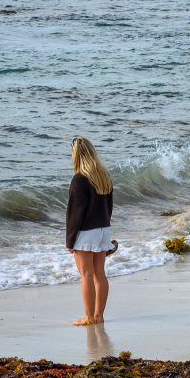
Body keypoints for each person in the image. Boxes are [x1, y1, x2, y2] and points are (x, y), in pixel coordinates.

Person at [66, 137, 115, 326]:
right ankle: (98, 316)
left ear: (76, 155)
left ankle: (88, 317)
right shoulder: (103, 176)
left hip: (86, 232)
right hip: (103, 229)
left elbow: (75, 213)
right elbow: (109, 206)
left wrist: (70, 241)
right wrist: (105, 229)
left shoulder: (79, 179)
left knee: (86, 274)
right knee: (99, 273)